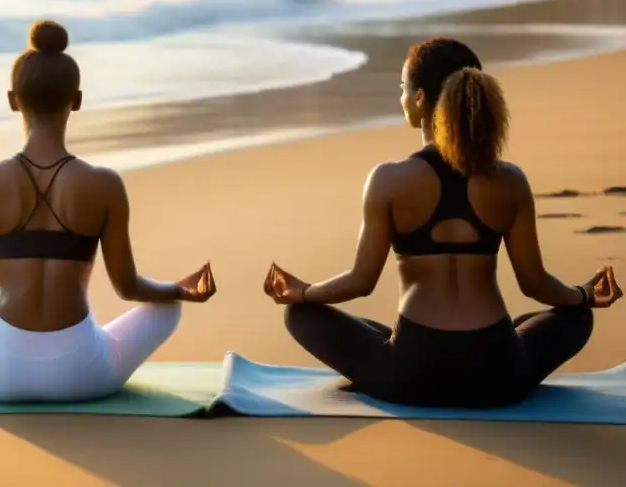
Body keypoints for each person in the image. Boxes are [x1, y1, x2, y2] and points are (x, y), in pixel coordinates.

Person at [265, 37, 621, 408]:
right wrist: (583, 296)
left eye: (403, 88)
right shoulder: (509, 180)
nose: (401, 97)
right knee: (573, 319)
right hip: (498, 374)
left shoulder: (389, 180)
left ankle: (385, 347)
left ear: (420, 99)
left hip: (412, 374)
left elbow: (361, 281)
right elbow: (536, 284)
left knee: (301, 316)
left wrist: (304, 292)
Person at [0, 19, 216, 403]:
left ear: (12, 99)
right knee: (167, 308)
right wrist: (178, 289)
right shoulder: (104, 184)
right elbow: (128, 288)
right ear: (77, 100)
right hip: (84, 377)